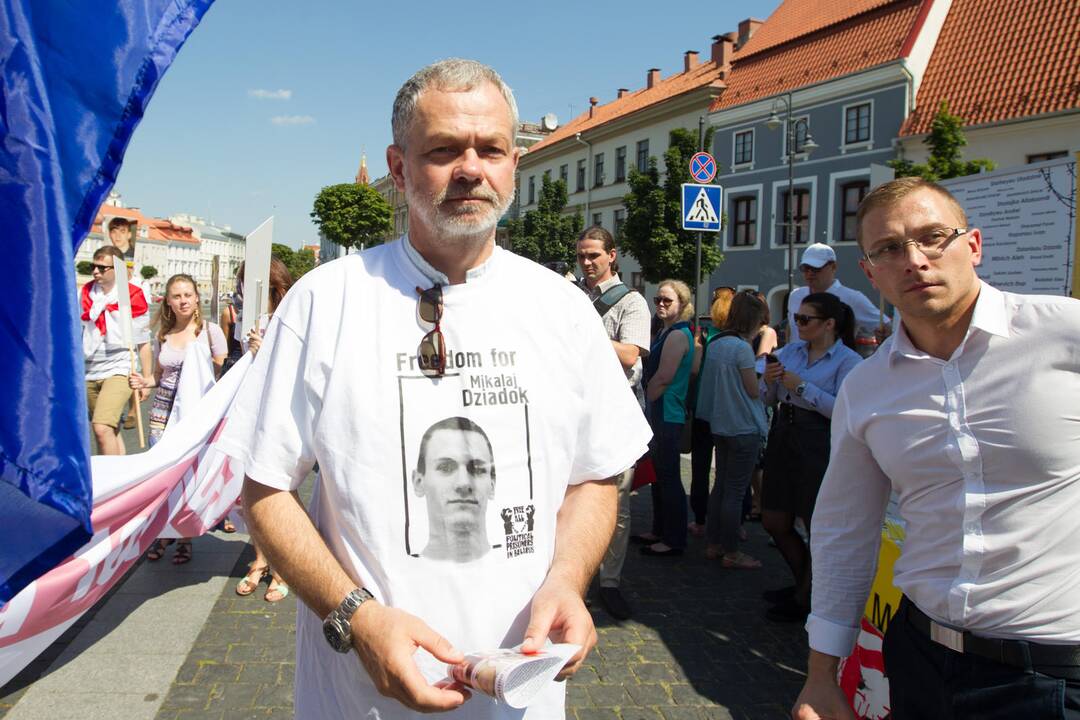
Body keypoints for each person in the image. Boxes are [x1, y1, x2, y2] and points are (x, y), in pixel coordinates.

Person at [218, 59, 650, 719]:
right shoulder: (324, 302)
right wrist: (355, 618)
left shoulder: (562, 310)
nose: (471, 168)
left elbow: (596, 476)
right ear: (398, 168)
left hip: (521, 698)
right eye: (444, 150)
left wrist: (568, 580)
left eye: (492, 150)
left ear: (514, 166)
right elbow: (265, 488)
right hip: (362, 699)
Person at [793, 178, 1080, 720]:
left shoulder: (1064, 335)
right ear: (870, 272)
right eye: (889, 249)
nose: (915, 260)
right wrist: (820, 673)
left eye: (932, 238)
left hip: (1052, 668)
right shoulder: (867, 387)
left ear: (972, 244)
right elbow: (844, 529)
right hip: (919, 658)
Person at [761, 292, 861, 622]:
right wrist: (770, 382)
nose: (799, 325)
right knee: (775, 519)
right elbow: (768, 398)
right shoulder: (791, 351)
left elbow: (842, 411)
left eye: (806, 320)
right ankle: (804, 585)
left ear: (829, 324)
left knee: (814, 522)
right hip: (784, 434)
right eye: (797, 319)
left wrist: (802, 387)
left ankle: (807, 595)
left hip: (817, 440)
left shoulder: (848, 362)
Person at [575, 226, 650, 621]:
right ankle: (576, 578)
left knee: (617, 505)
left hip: (615, 414)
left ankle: (611, 582)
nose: (587, 263)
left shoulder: (632, 302)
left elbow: (631, 354)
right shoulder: (574, 296)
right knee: (571, 500)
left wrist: (586, 331)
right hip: (576, 413)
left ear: (612, 256)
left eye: (594, 256)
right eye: (583, 256)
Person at [129, 274, 227, 565]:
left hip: (195, 412)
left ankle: (184, 537)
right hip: (162, 411)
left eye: (187, 295)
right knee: (162, 473)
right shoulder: (164, 335)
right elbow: (158, 378)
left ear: (197, 297)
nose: (183, 300)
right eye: (176, 296)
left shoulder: (209, 332)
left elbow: (221, 374)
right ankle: (162, 533)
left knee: (187, 476)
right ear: (168, 302)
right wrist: (142, 382)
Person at [231, 257, 295, 601]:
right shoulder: (249, 321)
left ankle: (284, 567)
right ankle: (259, 559)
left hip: (281, 416)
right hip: (253, 412)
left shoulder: (287, 317)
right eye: (241, 284)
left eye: (247, 283)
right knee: (251, 490)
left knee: (282, 491)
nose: (242, 291)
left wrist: (265, 351)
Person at [695, 291, 769, 568]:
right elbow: (752, 389)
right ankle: (731, 551)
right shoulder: (741, 348)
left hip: (721, 424)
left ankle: (714, 543)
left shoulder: (717, 343)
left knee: (721, 487)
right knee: (735, 492)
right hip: (743, 426)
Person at [639, 279, 695, 558]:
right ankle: (660, 529)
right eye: (658, 300)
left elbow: (664, 376)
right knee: (659, 474)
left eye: (667, 301)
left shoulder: (676, 335)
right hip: (663, 409)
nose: (661, 304)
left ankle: (674, 537)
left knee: (669, 476)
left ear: (681, 305)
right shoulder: (667, 331)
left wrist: (647, 397)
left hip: (666, 411)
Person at [80, 245, 152, 456]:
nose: (95, 272)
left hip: (120, 368)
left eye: (102, 268)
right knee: (109, 429)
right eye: (94, 266)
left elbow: (143, 342)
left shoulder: (132, 295)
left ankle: (108, 483)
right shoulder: (85, 293)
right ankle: (122, 474)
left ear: (117, 269)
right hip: (90, 368)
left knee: (101, 428)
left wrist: (146, 379)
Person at [412, 416, 496, 563]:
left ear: (492, 485)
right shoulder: (396, 574)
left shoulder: (523, 567)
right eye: (445, 467)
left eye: (477, 469)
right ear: (418, 482)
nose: (463, 483)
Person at [688, 286, 735, 537]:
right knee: (729, 471)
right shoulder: (739, 339)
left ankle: (701, 519)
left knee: (701, 467)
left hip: (702, 409)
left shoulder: (704, 335)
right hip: (727, 411)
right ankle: (730, 524)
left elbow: (694, 370)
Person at [787, 243, 889, 343]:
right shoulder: (796, 295)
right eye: (805, 268)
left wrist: (884, 333)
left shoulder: (852, 298)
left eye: (815, 268)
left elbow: (886, 326)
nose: (809, 273)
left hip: (836, 359)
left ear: (833, 267)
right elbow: (791, 331)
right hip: (795, 359)